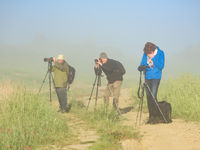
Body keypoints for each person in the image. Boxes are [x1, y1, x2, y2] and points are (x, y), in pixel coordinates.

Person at [139, 42, 165, 123]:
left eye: (149, 53)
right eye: (147, 53)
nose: (148, 54)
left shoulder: (161, 53)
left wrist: (153, 58)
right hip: (147, 77)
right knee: (148, 97)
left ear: (153, 51)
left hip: (156, 77)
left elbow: (161, 66)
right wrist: (140, 67)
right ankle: (151, 117)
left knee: (153, 97)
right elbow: (142, 63)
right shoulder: (145, 53)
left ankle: (156, 116)